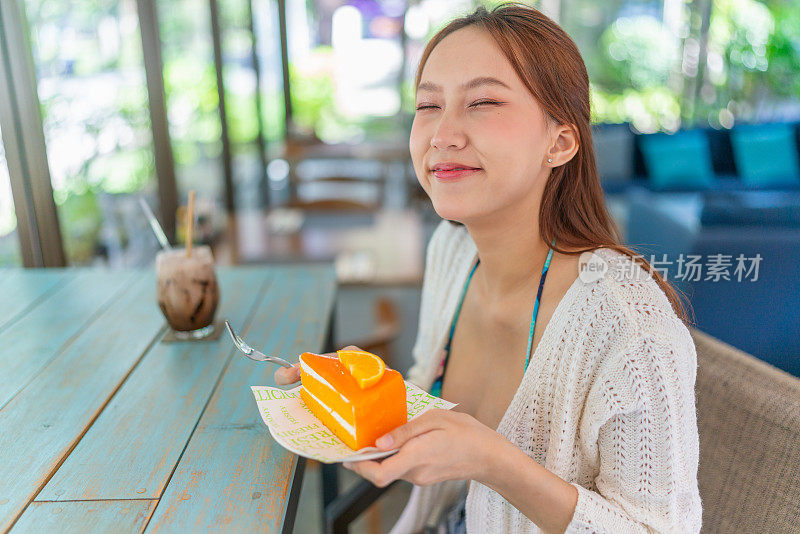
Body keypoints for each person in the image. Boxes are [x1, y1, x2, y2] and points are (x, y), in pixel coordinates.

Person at [276, 3, 703, 532]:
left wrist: (495, 463)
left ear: (561, 141)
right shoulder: (451, 252)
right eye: (428, 105)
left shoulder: (629, 326)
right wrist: (354, 391)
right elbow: (427, 401)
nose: (443, 134)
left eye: (482, 102)